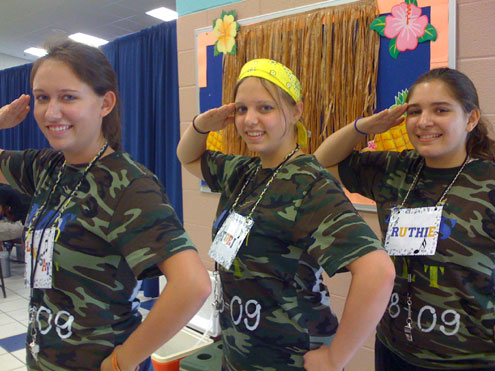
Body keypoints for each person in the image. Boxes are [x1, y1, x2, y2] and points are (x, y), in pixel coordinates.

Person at [0, 40, 211, 371]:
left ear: (105, 103)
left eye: (68, 97)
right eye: (42, 97)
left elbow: (193, 285)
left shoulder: (129, 184)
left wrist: (122, 362)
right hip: (43, 356)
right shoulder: (47, 168)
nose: (51, 112)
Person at [177, 58, 395, 370]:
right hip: (239, 353)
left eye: (265, 108)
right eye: (241, 109)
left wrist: (336, 358)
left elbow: (378, 272)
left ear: (296, 111)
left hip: (289, 359)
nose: (250, 119)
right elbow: (186, 156)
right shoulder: (243, 172)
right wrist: (202, 125)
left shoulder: (309, 183)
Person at [314, 67, 495, 370]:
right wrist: (365, 126)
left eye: (441, 110)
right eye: (414, 111)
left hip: (469, 359)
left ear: (471, 119)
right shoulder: (394, 170)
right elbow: (320, 162)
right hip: (393, 349)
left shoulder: (488, 181)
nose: (424, 122)